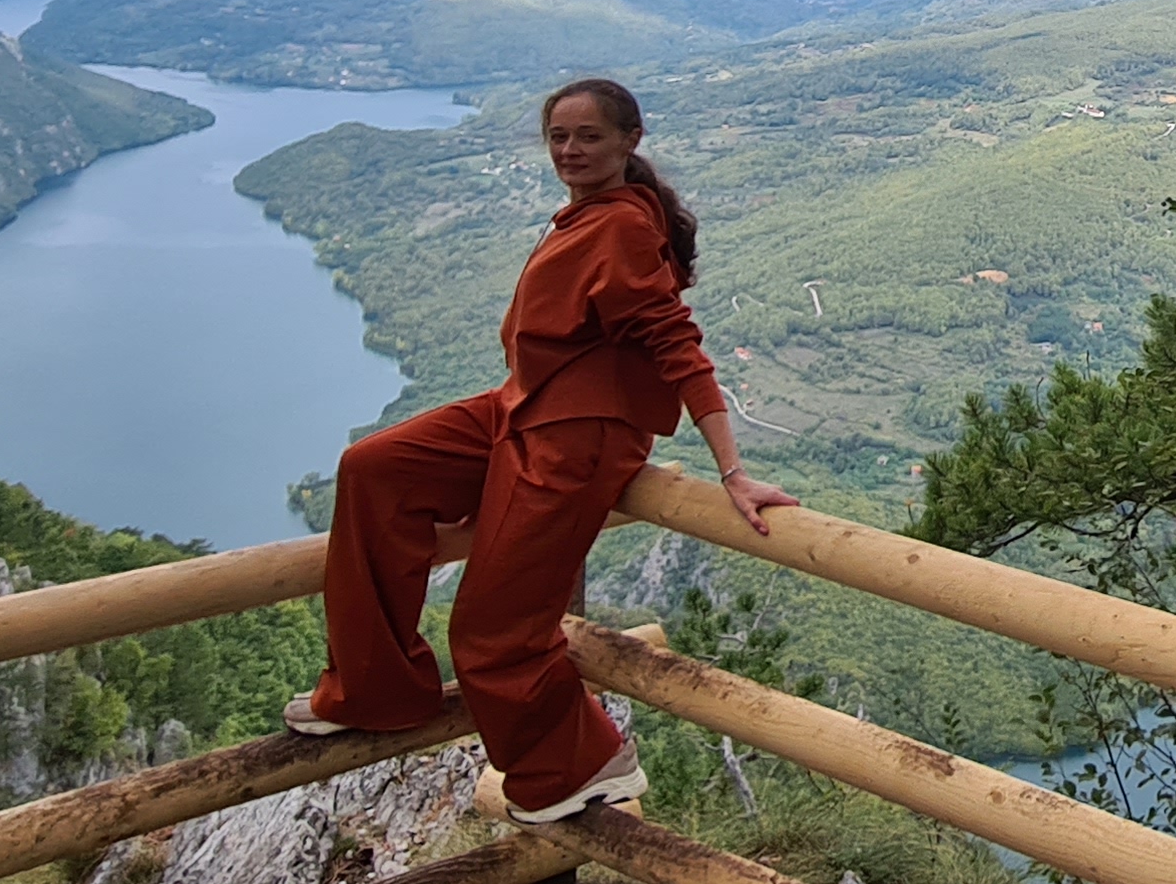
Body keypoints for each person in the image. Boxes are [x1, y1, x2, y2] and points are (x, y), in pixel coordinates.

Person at [286, 78, 795, 820]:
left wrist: (734, 472)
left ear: (630, 140)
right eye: (559, 136)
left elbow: (680, 349)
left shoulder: (622, 229)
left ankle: (583, 765)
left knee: (494, 627)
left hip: (574, 437)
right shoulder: (589, 215)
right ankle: (376, 690)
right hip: (522, 406)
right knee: (375, 469)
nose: (569, 150)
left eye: (589, 136)